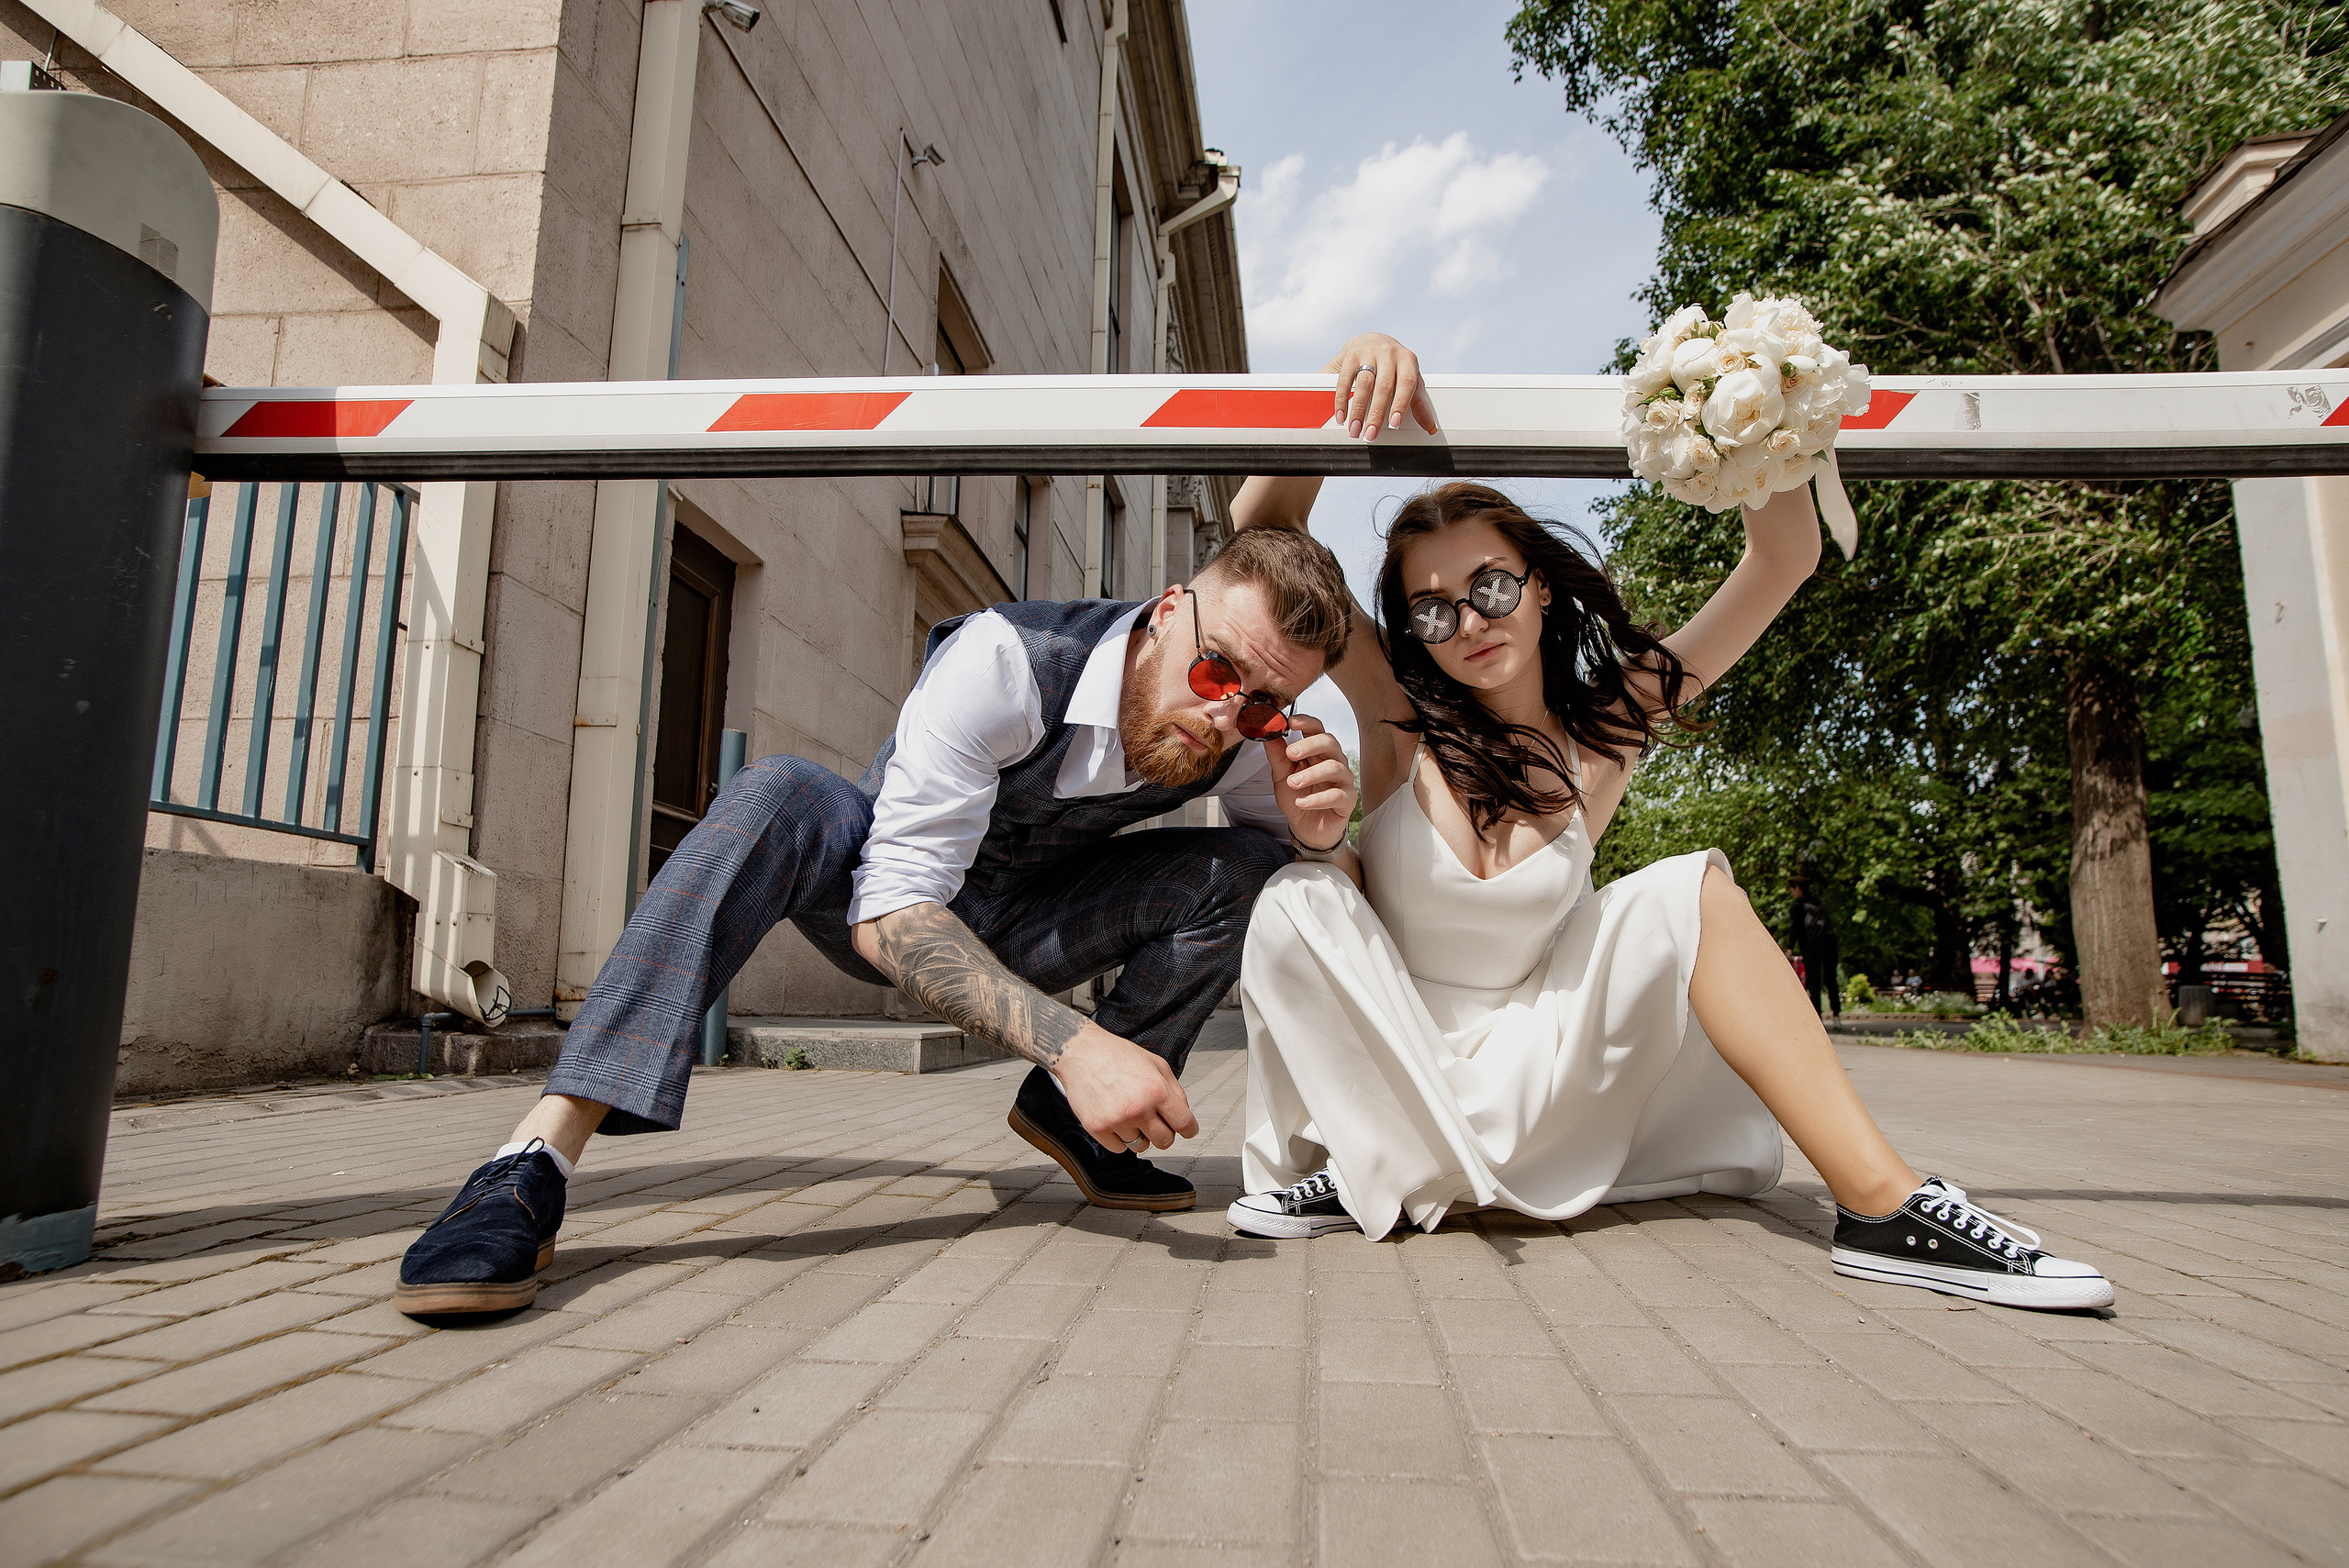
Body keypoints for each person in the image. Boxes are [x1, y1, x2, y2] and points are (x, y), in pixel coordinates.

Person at [1220, 333, 2112, 1313]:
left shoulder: (1608, 724)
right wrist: (1351, 386)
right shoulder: (1396, 713)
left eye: (1488, 586)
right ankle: (1375, 1155)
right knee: (1298, 889)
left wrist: (1747, 394)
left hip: (1535, 1084)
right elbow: (1262, 528)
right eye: (1430, 609)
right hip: (1393, 1068)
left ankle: (1886, 1208)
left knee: (1695, 886)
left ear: (1541, 584)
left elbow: (1784, 557)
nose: (1467, 621)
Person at [393, 528, 1362, 1316]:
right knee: (777, 790)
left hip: (1034, 920)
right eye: (1215, 671)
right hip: (875, 897)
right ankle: (531, 1161)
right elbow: (894, 908)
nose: (1227, 713)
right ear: (1163, 612)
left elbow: (1324, 897)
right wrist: (1074, 1041)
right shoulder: (1009, 661)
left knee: (1253, 865)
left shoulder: (1244, 738)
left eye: (1267, 701)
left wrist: (1317, 836)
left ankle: (1077, 1124)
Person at [1790, 876, 1842, 1018]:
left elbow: (1795, 927)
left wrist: (1790, 947)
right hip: (1829, 941)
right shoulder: (1819, 902)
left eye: (1792, 889)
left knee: (1814, 982)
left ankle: (1818, 1018)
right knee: (1831, 979)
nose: (1792, 893)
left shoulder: (1798, 904)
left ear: (1798, 888)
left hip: (1812, 944)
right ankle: (1836, 1015)